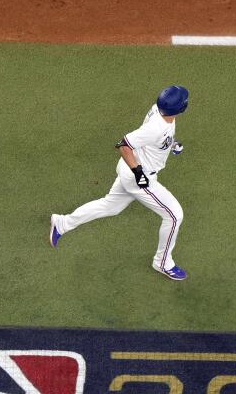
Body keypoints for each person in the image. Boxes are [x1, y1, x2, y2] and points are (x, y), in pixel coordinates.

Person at [49, 85, 189, 281]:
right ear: (182, 108)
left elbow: (155, 138)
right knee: (174, 215)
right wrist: (138, 172)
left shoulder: (160, 112)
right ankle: (163, 262)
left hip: (128, 170)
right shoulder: (156, 128)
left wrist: (171, 145)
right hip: (138, 176)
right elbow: (124, 145)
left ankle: (62, 223)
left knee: (110, 206)